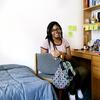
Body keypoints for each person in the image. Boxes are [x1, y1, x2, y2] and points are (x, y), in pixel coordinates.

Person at [40, 21, 85, 100]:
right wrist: (51, 55)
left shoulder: (65, 41)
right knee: (74, 72)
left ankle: (76, 89)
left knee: (82, 71)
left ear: (60, 30)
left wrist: (62, 53)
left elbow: (69, 57)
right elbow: (43, 60)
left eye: (58, 29)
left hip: (66, 63)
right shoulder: (46, 42)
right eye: (53, 30)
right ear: (49, 32)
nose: (56, 31)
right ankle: (73, 92)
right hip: (55, 67)